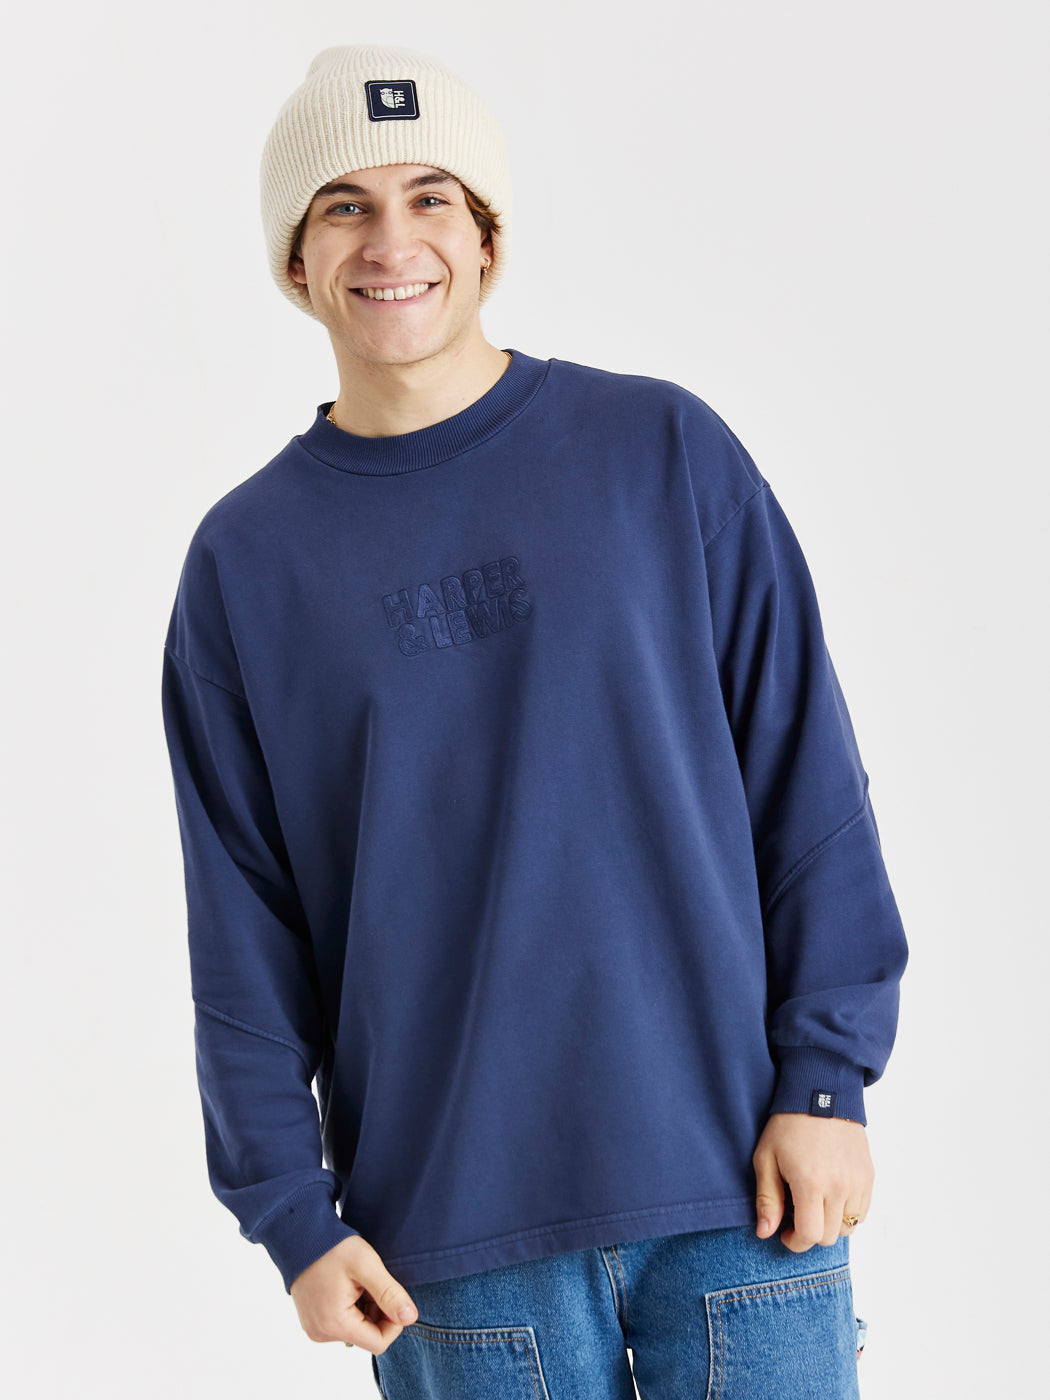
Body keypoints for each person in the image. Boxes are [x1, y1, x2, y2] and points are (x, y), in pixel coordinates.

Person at [160, 43, 908, 1399]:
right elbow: (243, 920)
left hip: (739, 1186)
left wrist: (824, 1082)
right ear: (295, 261)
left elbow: (805, 783)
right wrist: (289, 1214)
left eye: (431, 198)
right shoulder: (246, 563)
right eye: (345, 206)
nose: (392, 242)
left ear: (488, 237)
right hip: (450, 1241)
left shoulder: (664, 453)